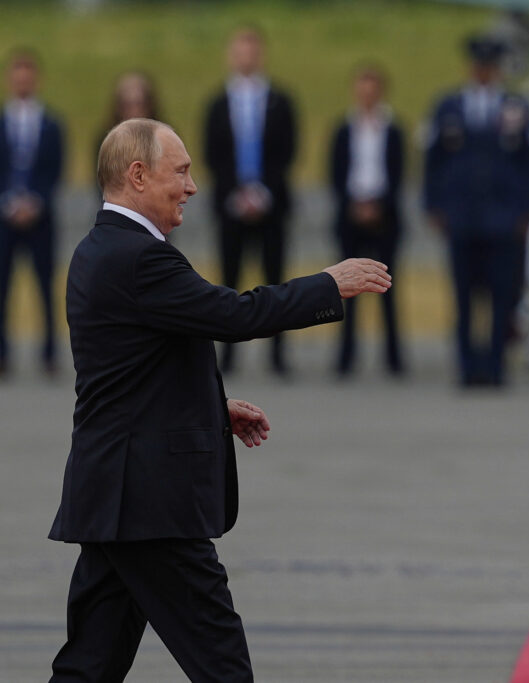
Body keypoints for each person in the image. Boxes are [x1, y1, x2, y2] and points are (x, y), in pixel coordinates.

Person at [48, 118, 391, 682]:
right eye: (180, 172)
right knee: (222, 666)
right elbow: (233, 314)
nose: (192, 187)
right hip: (149, 503)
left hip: (116, 494)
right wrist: (328, 284)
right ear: (138, 175)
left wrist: (210, 406)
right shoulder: (139, 256)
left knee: (89, 667)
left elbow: (129, 370)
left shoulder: (100, 248)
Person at [424, 35, 529, 387]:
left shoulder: (515, 107)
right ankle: (467, 366)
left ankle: (495, 365)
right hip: (462, 216)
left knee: (501, 296)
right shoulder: (449, 106)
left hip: (502, 218)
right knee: (463, 296)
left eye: (489, 66)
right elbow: (433, 161)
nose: (484, 72)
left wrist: (527, 209)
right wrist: (433, 205)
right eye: (479, 65)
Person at [203, 25, 297, 375]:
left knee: (276, 283)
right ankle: (227, 355)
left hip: (271, 204)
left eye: (252, 50)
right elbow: (213, 154)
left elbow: (287, 150)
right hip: (231, 205)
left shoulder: (280, 100)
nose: (246, 57)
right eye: (240, 50)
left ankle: (278, 355)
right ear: (231, 55)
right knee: (228, 282)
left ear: (261, 54)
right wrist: (238, 194)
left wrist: (262, 192)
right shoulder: (217, 103)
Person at [330, 64, 405, 376]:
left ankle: (394, 358)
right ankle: (346, 357)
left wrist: (379, 206)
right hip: (351, 214)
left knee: (387, 288)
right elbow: (335, 172)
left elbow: (398, 173)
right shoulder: (344, 128)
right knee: (346, 287)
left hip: (384, 216)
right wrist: (353, 205)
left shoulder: (393, 129)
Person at [0, 47, 63, 376]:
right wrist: (8, 201)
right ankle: (2, 353)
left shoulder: (51, 123)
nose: (23, 81)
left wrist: (35, 201)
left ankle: (49, 352)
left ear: (36, 79)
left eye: (28, 75)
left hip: (40, 218)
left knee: (45, 284)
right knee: (2, 285)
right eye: (17, 75)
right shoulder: (2, 121)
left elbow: (56, 168)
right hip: (4, 218)